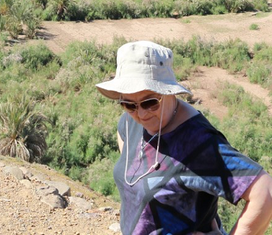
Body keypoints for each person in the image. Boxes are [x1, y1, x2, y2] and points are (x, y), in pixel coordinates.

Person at [96, 40, 272, 235]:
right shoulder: (130, 123)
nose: (141, 114)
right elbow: (127, 150)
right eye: (129, 104)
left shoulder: (196, 142)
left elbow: (264, 191)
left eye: (151, 102)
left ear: (169, 92)